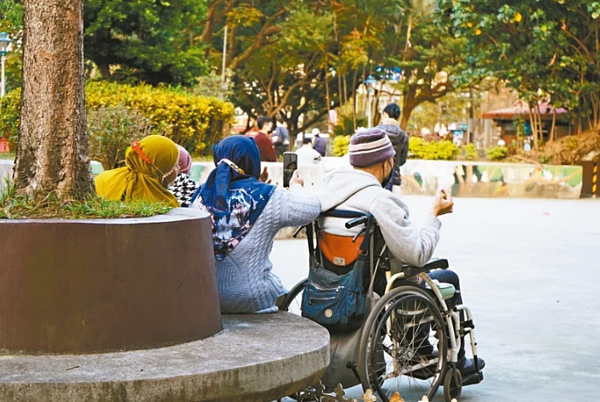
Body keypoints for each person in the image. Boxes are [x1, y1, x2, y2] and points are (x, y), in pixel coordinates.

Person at [317, 128, 484, 380]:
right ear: (385, 162)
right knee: (447, 276)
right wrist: (434, 215)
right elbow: (416, 254)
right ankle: (447, 359)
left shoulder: (325, 192)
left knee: (403, 275)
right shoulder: (380, 200)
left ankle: (421, 350)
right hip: (377, 285)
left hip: (331, 279)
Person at [189, 135, 320, 313]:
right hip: (252, 299)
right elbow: (311, 208)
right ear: (253, 160)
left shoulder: (200, 196)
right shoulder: (269, 196)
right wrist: (296, 186)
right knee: (279, 289)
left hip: (207, 296)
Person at [95, 135, 179, 207]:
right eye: (174, 165)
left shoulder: (102, 179)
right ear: (164, 167)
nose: (177, 168)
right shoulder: (163, 201)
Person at [377, 103, 409, 191]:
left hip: (377, 180)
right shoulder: (404, 136)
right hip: (394, 180)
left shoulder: (376, 131)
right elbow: (402, 160)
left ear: (385, 115)